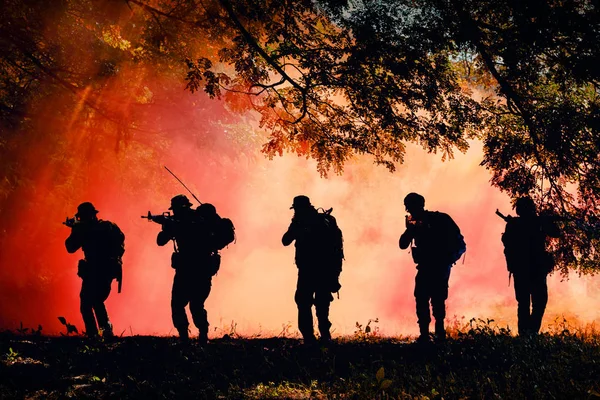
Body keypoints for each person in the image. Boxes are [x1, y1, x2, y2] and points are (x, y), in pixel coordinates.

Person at [399, 193, 465, 343]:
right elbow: (403, 244)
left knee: (437, 299)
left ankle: (438, 333)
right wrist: (410, 230)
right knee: (422, 298)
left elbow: (459, 243)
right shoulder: (416, 223)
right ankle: (426, 334)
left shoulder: (440, 219)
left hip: (439, 266)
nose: (408, 210)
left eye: (409, 206)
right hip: (427, 266)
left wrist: (447, 259)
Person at [156, 194, 221, 343]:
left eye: (176, 209)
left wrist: (170, 226)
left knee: (187, 304)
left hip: (193, 269)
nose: (175, 212)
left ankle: (193, 335)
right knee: (188, 304)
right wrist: (167, 227)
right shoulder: (190, 221)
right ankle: (193, 335)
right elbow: (161, 241)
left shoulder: (191, 221)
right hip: (195, 270)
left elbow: (162, 240)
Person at [282, 195, 343, 345]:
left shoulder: (301, 222)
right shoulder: (324, 221)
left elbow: (285, 240)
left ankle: (309, 337)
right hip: (323, 269)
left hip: (309, 270)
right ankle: (324, 334)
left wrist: (296, 227)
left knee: (304, 302)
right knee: (321, 302)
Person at [501, 197, 561, 336]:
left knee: (525, 303)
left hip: (524, 269)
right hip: (534, 269)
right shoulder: (528, 223)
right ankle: (530, 333)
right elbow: (556, 233)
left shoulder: (515, 224)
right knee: (536, 303)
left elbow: (506, 241)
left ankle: (526, 334)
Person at [65, 202, 125, 338]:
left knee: (89, 302)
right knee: (94, 301)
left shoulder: (93, 229)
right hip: (102, 271)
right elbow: (120, 244)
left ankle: (96, 333)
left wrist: (75, 229)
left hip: (98, 270)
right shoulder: (108, 227)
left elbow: (70, 247)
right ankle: (101, 331)